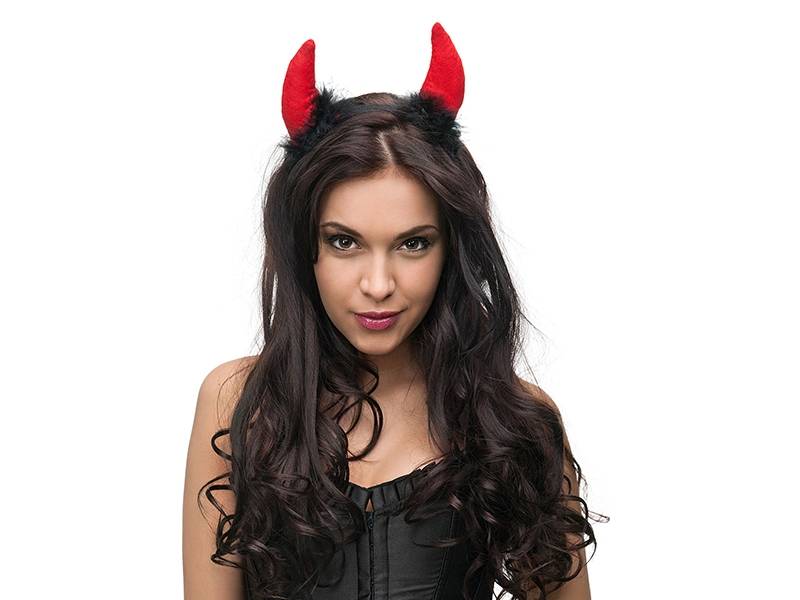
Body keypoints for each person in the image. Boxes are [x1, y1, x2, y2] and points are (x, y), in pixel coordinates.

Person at [183, 22, 603, 600]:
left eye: (412, 244)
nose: (378, 285)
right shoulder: (239, 403)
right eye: (344, 242)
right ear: (304, 245)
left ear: (451, 247)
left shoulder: (516, 421)